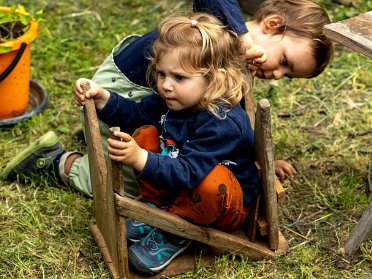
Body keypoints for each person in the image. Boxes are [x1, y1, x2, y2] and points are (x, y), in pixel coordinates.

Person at [1, 0, 333, 197]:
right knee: (143, 187)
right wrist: (244, 40)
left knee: (181, 153)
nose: (278, 75)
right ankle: (61, 162)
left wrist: (254, 161)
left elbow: (221, 125)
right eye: (286, 62)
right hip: (126, 90)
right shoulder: (220, 33)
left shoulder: (233, 67)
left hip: (156, 95)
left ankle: (103, 139)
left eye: (288, 75)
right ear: (273, 25)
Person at [75, 12, 260, 274]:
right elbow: (136, 114)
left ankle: (177, 231)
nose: (165, 85)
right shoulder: (172, 100)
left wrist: (140, 159)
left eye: (179, 78)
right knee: (147, 133)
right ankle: (160, 209)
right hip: (180, 184)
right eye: (161, 74)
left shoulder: (224, 124)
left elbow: (189, 172)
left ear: (214, 78)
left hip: (221, 205)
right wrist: (103, 97)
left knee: (209, 184)